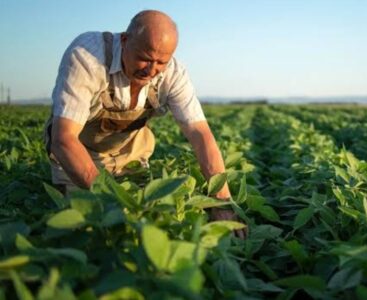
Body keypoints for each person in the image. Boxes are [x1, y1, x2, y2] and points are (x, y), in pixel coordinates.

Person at [44, 10, 245, 238]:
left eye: (161, 62)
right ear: (124, 40)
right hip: (78, 157)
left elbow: (199, 134)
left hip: (130, 156)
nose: (151, 70)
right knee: (90, 227)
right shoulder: (87, 56)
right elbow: (63, 140)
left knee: (153, 222)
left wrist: (221, 202)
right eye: (145, 58)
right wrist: (116, 201)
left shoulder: (173, 73)